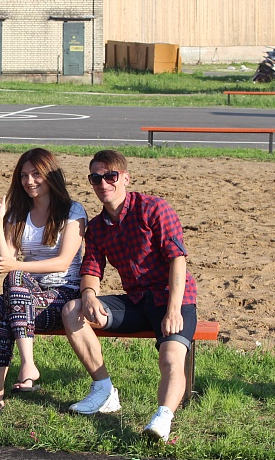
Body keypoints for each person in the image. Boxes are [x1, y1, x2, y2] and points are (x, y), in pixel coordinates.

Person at [60, 149, 197, 442]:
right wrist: (88, 296)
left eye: (110, 176)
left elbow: (178, 260)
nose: (103, 184)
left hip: (172, 298)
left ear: (125, 178)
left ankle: (162, 419)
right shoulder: (97, 227)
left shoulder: (154, 209)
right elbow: (92, 267)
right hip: (136, 300)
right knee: (72, 309)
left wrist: (173, 310)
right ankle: (104, 390)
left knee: (171, 357)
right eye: (96, 178)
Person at [0, 148, 87, 414]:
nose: (30, 181)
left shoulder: (72, 211)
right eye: (24, 175)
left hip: (64, 296)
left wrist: (16, 266)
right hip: (28, 298)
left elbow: (62, 262)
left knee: (4, 303)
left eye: (37, 174)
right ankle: (24, 368)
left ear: (51, 175)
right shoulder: (18, 213)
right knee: (7, 295)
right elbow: (6, 260)